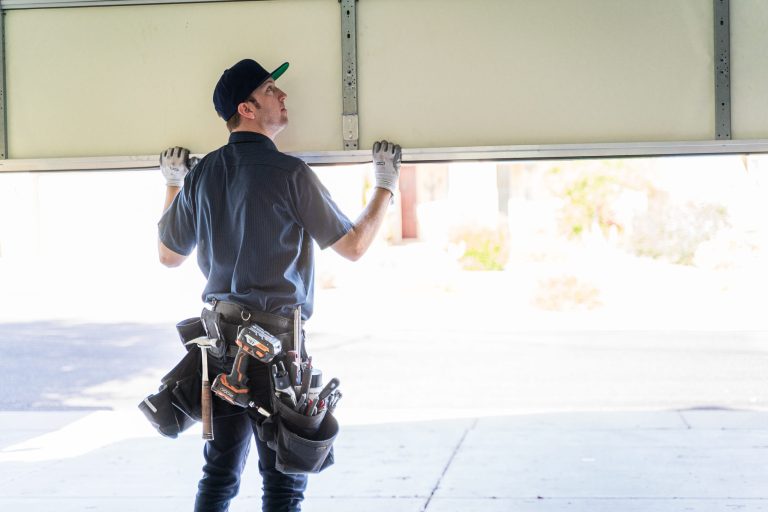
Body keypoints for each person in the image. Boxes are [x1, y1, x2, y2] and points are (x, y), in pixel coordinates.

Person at [156, 57, 401, 512]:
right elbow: (353, 247)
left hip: (221, 350)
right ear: (246, 109)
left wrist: (174, 184)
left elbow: (169, 255)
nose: (283, 96)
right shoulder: (291, 174)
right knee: (285, 482)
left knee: (219, 475)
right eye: (271, 90)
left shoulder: (202, 174)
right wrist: (385, 185)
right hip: (278, 354)